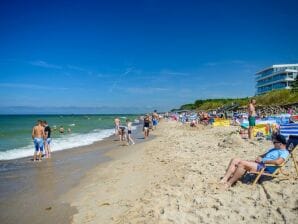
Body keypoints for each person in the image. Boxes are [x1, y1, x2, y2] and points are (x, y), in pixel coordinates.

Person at [219, 134, 289, 190]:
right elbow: (263, 155)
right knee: (235, 160)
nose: (273, 143)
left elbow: (278, 162)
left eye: (274, 142)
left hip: (265, 168)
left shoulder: (284, 152)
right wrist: (259, 157)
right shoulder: (274, 149)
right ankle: (224, 179)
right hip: (259, 164)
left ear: (280, 143)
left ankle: (229, 183)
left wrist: (263, 160)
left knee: (242, 164)